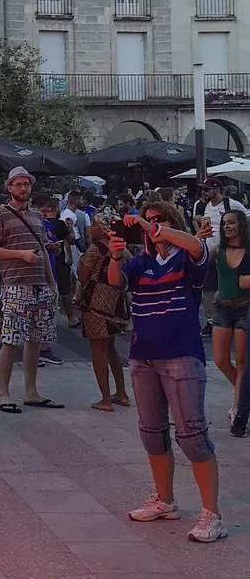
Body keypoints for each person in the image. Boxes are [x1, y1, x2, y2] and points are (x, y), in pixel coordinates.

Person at [107, 202, 227, 543]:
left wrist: (152, 226)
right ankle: (164, 499)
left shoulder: (186, 258)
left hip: (181, 355)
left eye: (160, 219)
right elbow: (115, 282)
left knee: (191, 433)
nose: (151, 226)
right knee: (151, 431)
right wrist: (116, 255)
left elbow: (197, 246)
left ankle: (211, 514)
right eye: (149, 220)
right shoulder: (141, 263)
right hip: (144, 355)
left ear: (172, 223)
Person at [0, 167, 62, 414]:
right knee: (10, 340)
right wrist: (20, 254)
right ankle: (3, 393)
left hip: (39, 285)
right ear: (9, 187)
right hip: (15, 284)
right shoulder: (1, 215)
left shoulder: (37, 217)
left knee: (35, 339)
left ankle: (31, 391)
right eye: (18, 184)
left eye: (26, 184)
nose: (22, 188)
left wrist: (52, 284)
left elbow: (41, 249)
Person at [75, 208, 130, 411]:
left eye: (95, 225)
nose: (91, 228)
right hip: (115, 303)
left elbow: (82, 276)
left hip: (96, 303)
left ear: (104, 229)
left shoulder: (95, 249)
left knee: (98, 352)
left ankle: (105, 399)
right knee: (111, 349)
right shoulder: (122, 249)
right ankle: (121, 393)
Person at [211, 209, 250, 425]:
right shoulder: (218, 250)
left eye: (231, 222)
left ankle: (238, 407)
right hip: (223, 307)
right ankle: (245, 396)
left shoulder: (249, 250)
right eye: (224, 223)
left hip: (245, 307)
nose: (227, 226)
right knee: (220, 360)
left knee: (241, 361)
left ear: (240, 225)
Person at [198, 178, 247, 337]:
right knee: (208, 287)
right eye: (202, 189)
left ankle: (237, 317)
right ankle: (211, 322)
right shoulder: (206, 207)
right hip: (211, 252)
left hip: (229, 252)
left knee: (232, 287)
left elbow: (247, 217)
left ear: (217, 189)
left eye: (206, 189)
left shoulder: (231, 204)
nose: (203, 192)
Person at [37, 193, 78, 342]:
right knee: (65, 291)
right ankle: (71, 317)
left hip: (44, 262)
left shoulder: (40, 223)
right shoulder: (60, 224)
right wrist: (71, 228)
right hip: (58, 261)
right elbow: (71, 240)